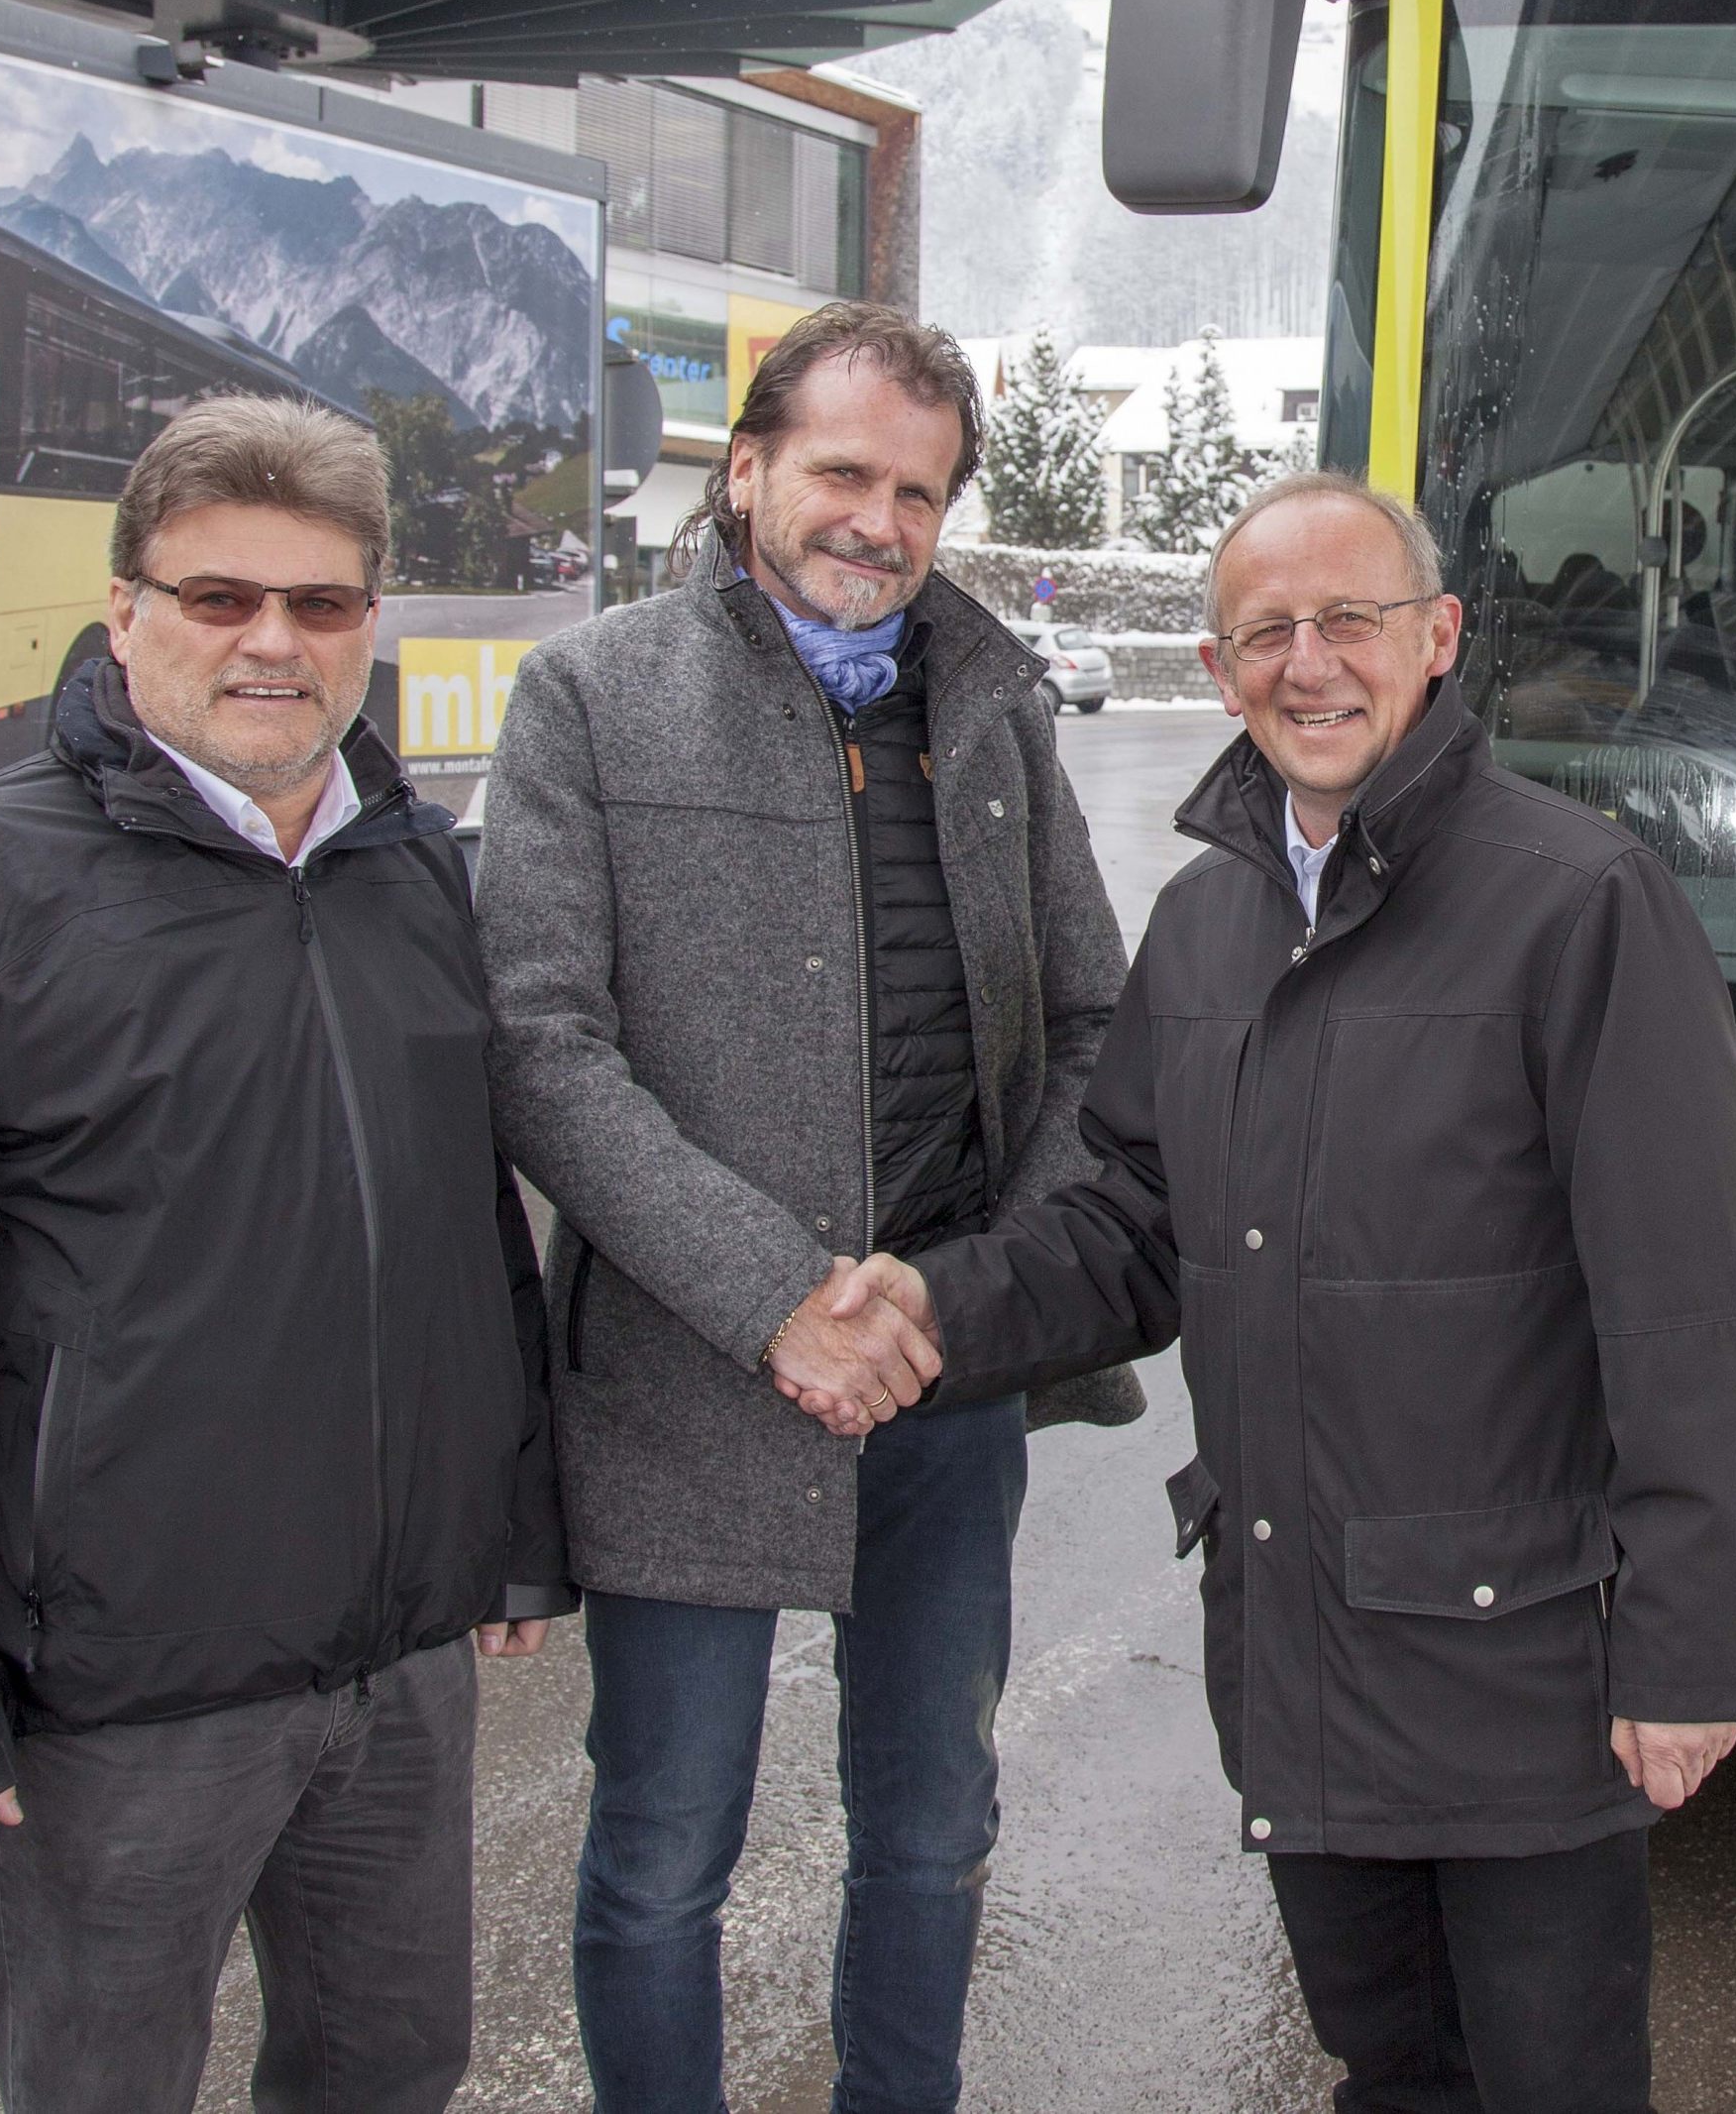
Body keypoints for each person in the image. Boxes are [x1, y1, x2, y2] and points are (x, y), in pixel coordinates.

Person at [829, 469, 1736, 2114]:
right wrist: (936, 1309)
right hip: (1300, 1643)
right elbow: (1132, 1223)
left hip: (1518, 1671)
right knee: (1388, 2075)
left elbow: (1688, 1304)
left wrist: (1689, 1656)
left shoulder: (1577, 901)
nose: (1309, 663)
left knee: (1545, 2083)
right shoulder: (1207, 921)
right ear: (1215, 672)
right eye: (1265, 632)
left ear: (1436, 639)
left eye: (1349, 619)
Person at [0, 394, 570, 2114]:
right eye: (219, 598)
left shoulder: (410, 873)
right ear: (123, 613)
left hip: (396, 1671)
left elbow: (459, 1227)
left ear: (369, 625)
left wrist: (507, 1529)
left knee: (390, 2073)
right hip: (117, 1695)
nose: (273, 641)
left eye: (322, 603)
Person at [476, 300, 1136, 2114]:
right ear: (747, 468)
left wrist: (964, 1299)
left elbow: (1091, 1024)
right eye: (845, 472)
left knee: (930, 1828)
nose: (881, 522)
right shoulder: (593, 695)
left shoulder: (992, 701)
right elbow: (539, 1049)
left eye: (919, 492)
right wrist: (776, 1296)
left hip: (942, 1379)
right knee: (663, 1848)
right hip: (693, 1381)